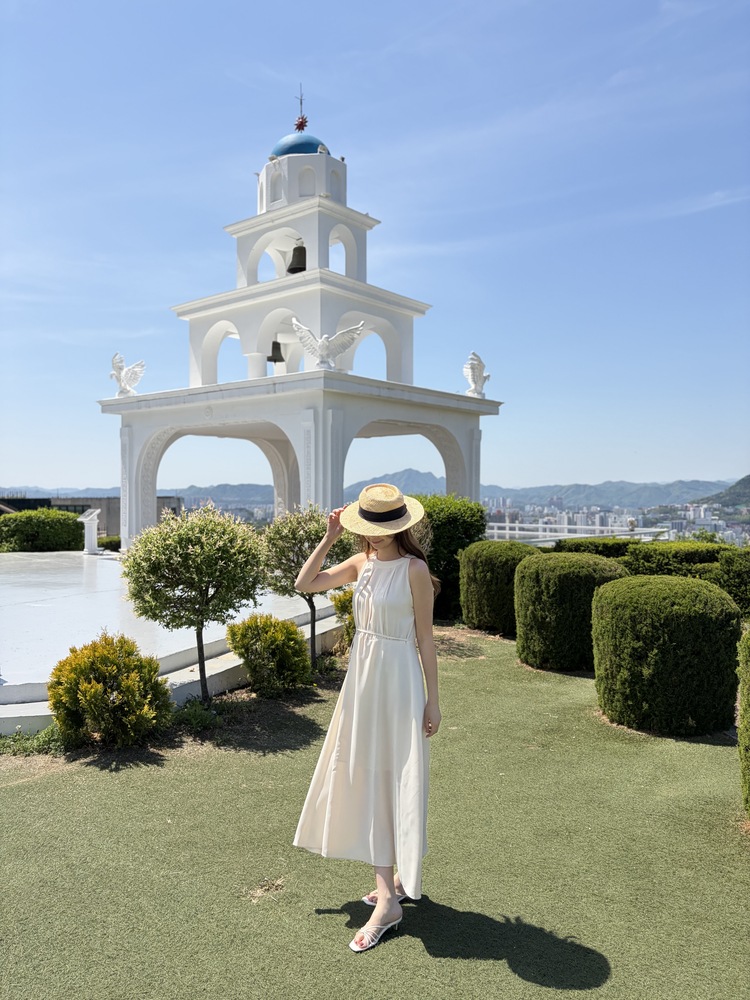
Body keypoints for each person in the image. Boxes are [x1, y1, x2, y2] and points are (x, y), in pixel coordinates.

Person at [293, 483, 441, 953]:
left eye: (380, 529)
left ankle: (389, 900)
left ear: (400, 526)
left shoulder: (415, 570)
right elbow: (305, 584)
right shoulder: (361, 564)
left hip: (399, 683)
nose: (373, 537)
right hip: (362, 682)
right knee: (368, 773)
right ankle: (390, 882)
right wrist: (331, 535)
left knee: (393, 776)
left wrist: (433, 700)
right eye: (367, 529)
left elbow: (426, 639)